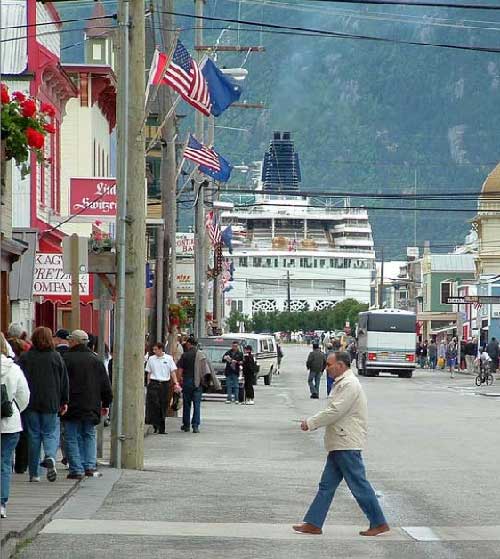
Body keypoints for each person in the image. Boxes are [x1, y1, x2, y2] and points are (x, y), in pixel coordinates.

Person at [293, 351, 389, 537]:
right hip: (339, 442)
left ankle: (378, 522)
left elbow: (335, 411)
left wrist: (311, 423)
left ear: (341, 365)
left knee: (358, 485)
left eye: (329, 365)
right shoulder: (342, 383)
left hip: (346, 442)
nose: (326, 368)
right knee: (326, 486)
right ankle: (313, 523)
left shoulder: (349, 384)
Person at [18, 327, 69, 483]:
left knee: (33, 436)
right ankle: (50, 456)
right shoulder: (56, 357)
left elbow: (20, 380)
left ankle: (34, 473)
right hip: (51, 401)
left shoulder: (26, 358)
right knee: (50, 433)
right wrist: (64, 401)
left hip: (31, 402)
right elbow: (64, 381)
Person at [62, 330, 112, 479]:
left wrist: (61, 401)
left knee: (71, 436)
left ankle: (76, 469)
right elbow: (105, 384)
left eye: (70, 340)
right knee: (89, 434)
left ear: (75, 341)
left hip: (71, 404)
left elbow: (62, 383)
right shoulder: (95, 360)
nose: (69, 342)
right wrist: (106, 403)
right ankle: (89, 466)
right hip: (91, 404)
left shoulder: (66, 359)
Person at [1, 333, 30, 519]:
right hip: (9, 423)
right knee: (4, 462)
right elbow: (24, 396)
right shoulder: (14, 369)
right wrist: (15, 408)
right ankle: (1, 502)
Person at [177, 336, 220, 432]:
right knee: (197, 405)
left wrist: (179, 381)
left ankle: (186, 425)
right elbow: (207, 370)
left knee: (187, 404)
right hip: (198, 382)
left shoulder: (185, 355)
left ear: (189, 344)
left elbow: (180, 370)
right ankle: (195, 425)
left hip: (187, 381)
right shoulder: (202, 355)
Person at [145, 342, 179, 434]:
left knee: (163, 405)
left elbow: (172, 372)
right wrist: (148, 384)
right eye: (153, 349)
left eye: (156, 349)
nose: (154, 351)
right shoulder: (151, 359)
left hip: (165, 384)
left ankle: (161, 427)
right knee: (154, 404)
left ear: (161, 349)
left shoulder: (168, 358)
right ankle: (155, 424)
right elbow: (149, 372)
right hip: (154, 383)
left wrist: (176, 383)